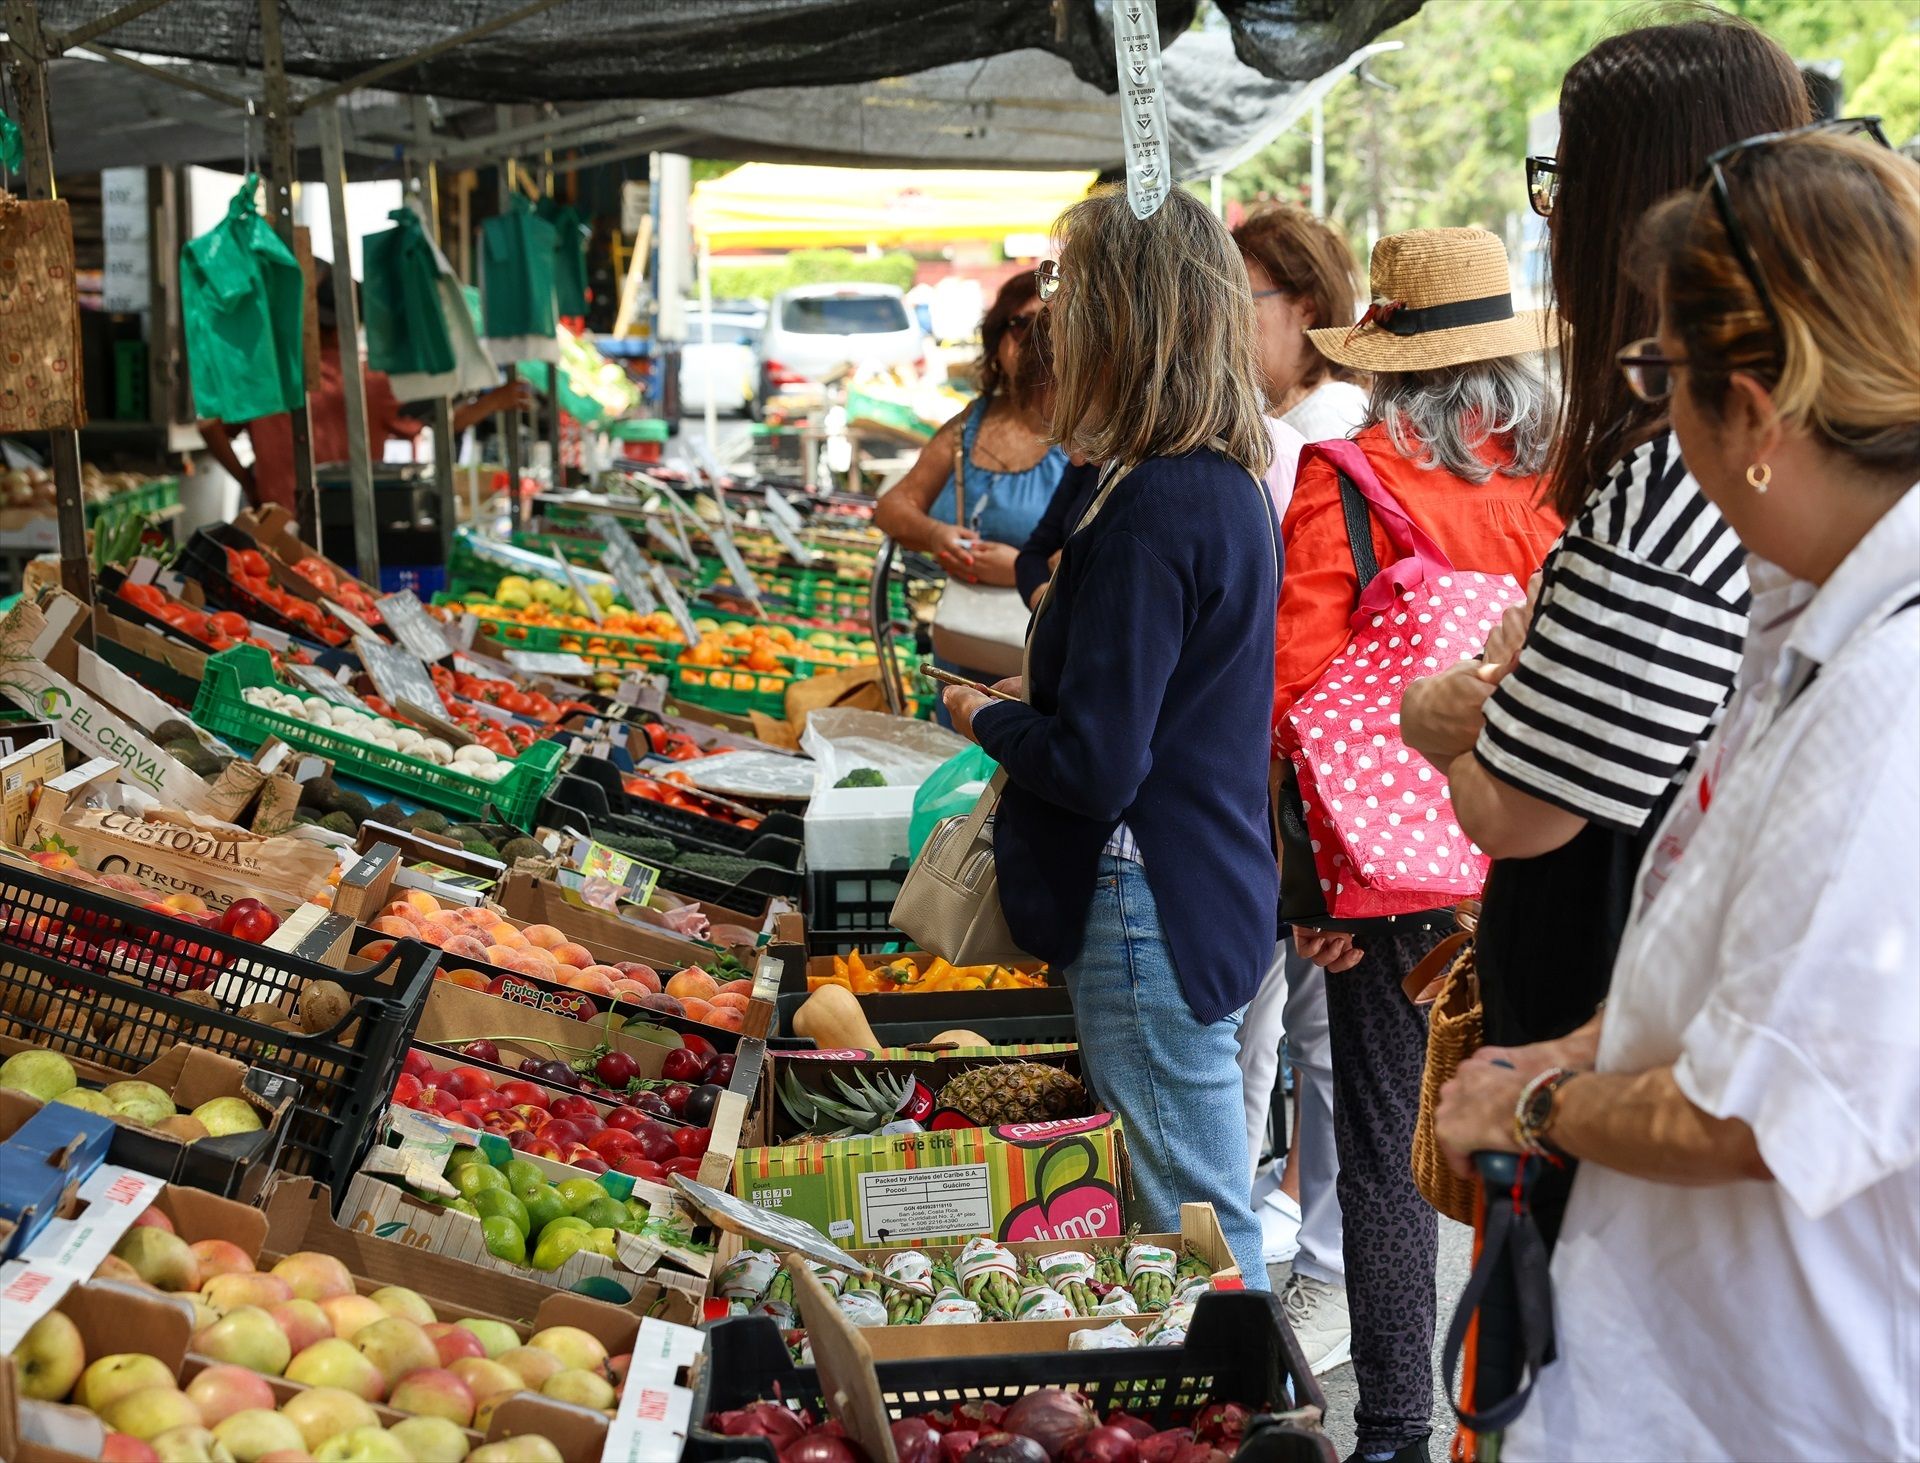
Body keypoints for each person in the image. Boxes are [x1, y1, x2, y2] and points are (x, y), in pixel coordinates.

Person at [1438, 123, 1920, 1462]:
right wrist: (1578, 1051)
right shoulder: (1821, 627)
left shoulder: (1894, 694)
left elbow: (1748, 1105)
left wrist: (1528, 1105)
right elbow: (1747, 973)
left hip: (1788, 1403)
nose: (1657, 412)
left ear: (1755, 413)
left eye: (1666, 373)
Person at [1401, 16, 1811, 1258]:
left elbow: (1528, 810)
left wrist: (1452, 718)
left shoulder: (1670, 484)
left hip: (1617, 1094)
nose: (1549, 218)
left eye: (1563, 179)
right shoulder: (1733, 481)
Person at [941, 187, 1278, 1282]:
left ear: (1126, 315)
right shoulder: (1212, 484)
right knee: (1187, 1213)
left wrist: (982, 714)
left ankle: (1268, 1425)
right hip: (1193, 880)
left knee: (1198, 1227)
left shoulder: (1158, 503)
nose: (1047, 316)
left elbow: (1096, 763)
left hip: (1146, 898)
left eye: (1066, 288)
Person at [1275, 227, 1562, 1463]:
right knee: (1552, 1132)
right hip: (1556, 858)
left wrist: (1317, 880)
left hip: (1401, 879)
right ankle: (1534, 1415)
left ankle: (1394, 1428)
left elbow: (1294, 695)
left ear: (1388, 364)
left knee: (1395, 1148)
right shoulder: (1571, 482)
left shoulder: (1344, 478)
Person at [1230, 203, 1371, 1365]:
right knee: (1274, 1030)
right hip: (1299, 783)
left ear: (1304, 312)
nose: (1229, 324)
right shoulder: (1298, 427)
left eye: (1245, 301)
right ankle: (1269, 1255)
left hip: (1302, 786)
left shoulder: (1311, 440)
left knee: (1294, 1033)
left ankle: (1317, 1269)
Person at [199, 261, 527, 515]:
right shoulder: (369, 381)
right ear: (351, 323)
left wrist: (248, 481)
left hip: (273, 521)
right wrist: (496, 400)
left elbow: (209, 425)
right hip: (342, 521)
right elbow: (443, 423)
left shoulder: (269, 375)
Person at [873, 272, 1067, 694]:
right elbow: (892, 507)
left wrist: (1022, 568)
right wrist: (936, 534)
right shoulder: (969, 425)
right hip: (963, 651)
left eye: (1050, 326)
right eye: (1022, 326)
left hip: (1043, 662)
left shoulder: (1085, 436)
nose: (1038, 341)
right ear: (997, 343)